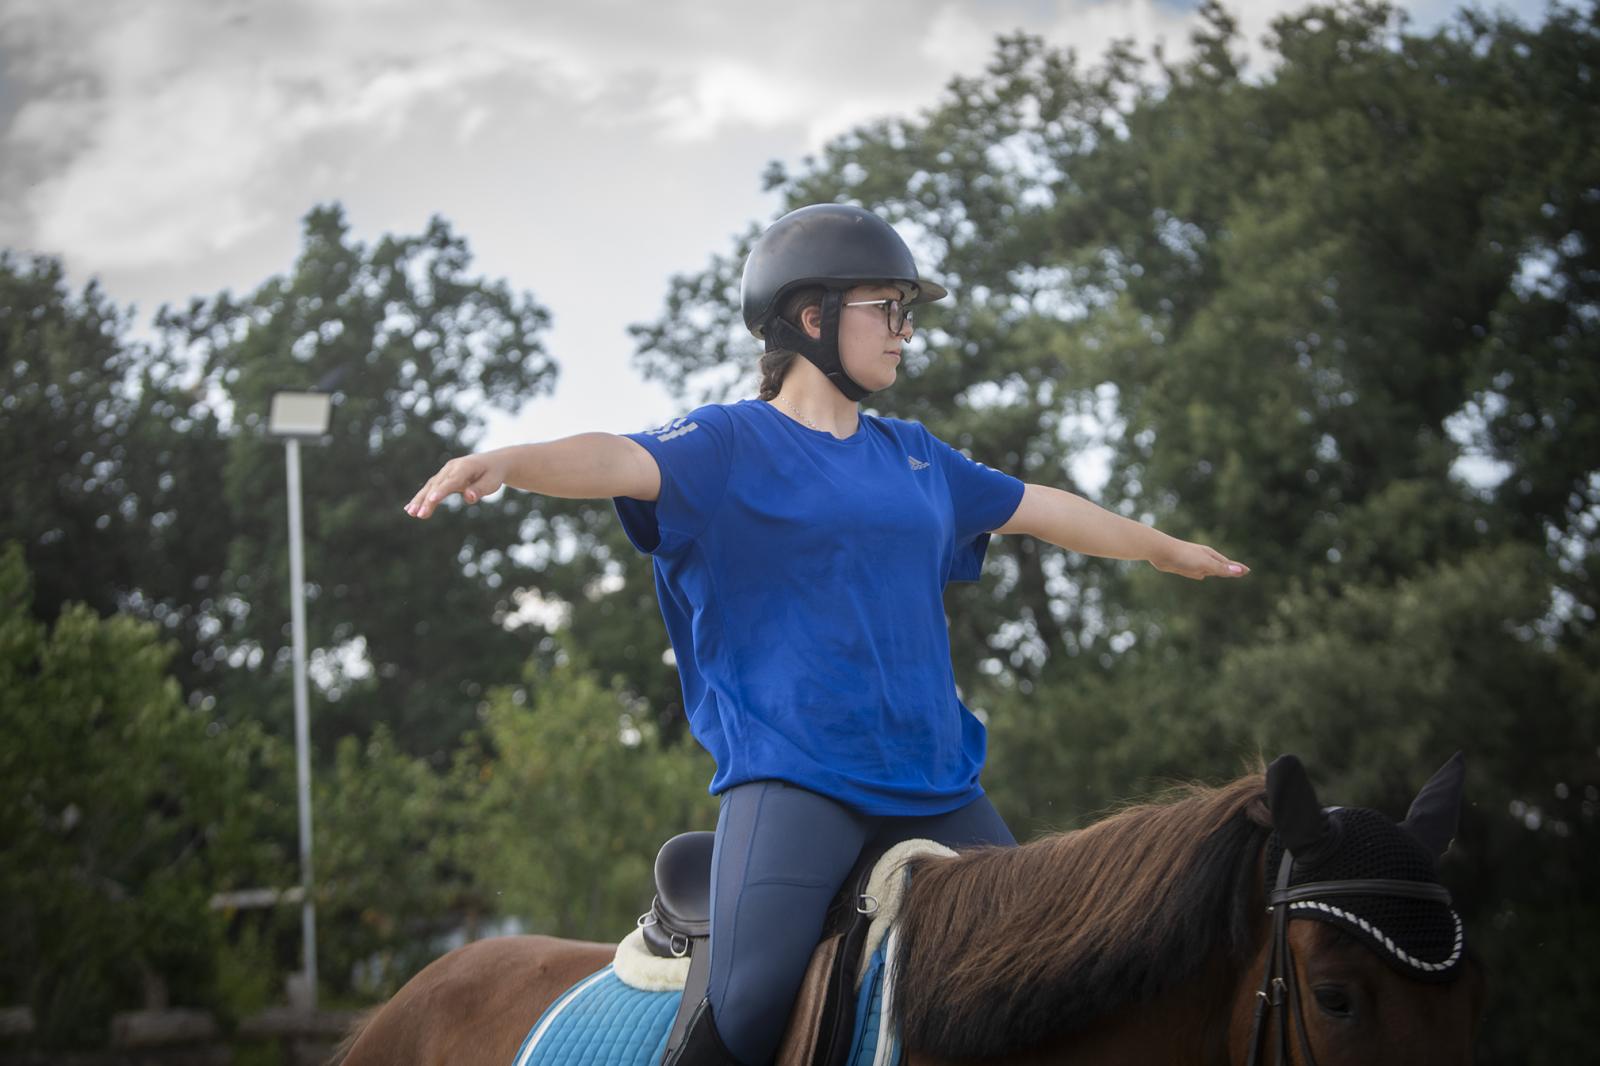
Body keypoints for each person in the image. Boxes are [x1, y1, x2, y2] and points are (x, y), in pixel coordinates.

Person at [403, 203, 1250, 1066]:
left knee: (1048, 979)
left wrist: (1165, 550)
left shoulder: (916, 455)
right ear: (812, 318)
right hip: (797, 783)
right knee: (746, 1005)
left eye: (907, 313)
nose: (905, 333)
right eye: (888, 309)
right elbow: (614, 457)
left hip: (937, 784)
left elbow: (1044, 508)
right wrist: (508, 461)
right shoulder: (727, 443)